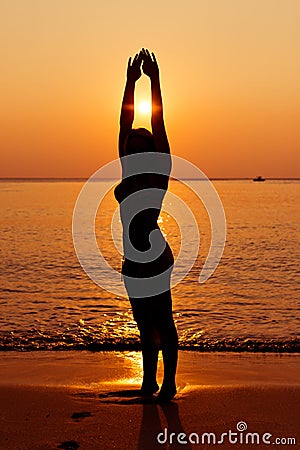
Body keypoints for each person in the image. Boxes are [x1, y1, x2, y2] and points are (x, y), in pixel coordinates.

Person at [114, 48, 178, 402]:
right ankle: (147, 381)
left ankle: (167, 384)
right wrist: (128, 83)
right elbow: (123, 124)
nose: (131, 149)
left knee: (163, 322)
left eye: (139, 146)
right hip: (132, 263)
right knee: (143, 325)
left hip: (154, 259)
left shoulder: (158, 172)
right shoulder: (128, 170)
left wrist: (154, 80)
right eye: (130, 147)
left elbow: (158, 123)